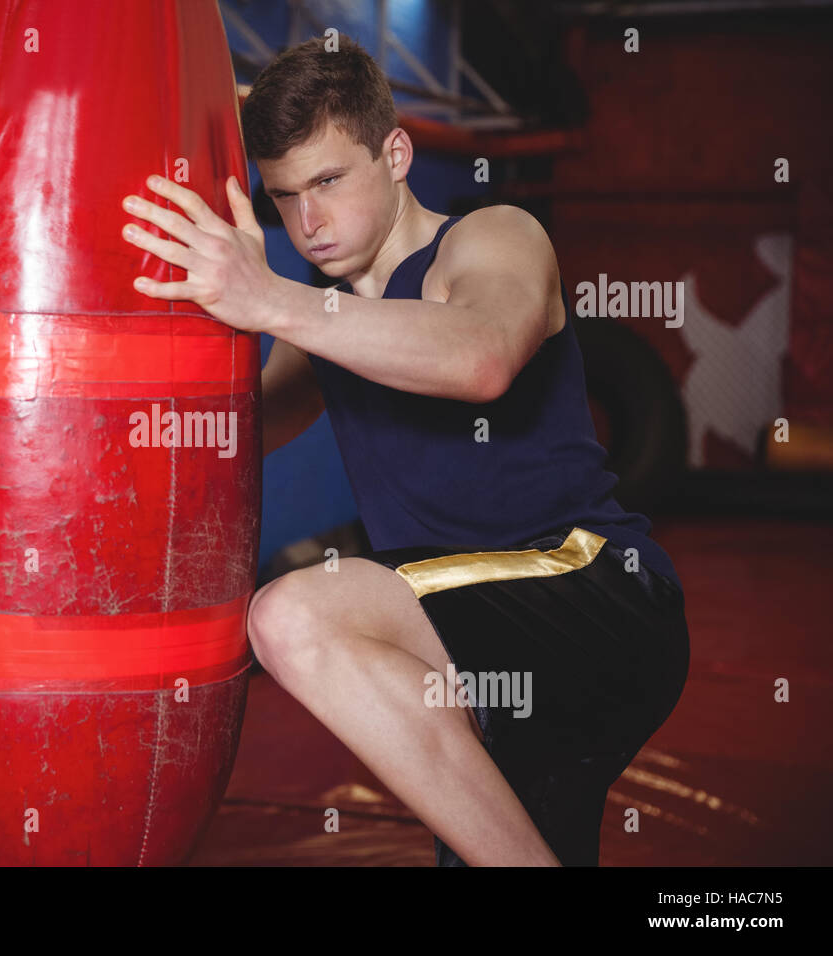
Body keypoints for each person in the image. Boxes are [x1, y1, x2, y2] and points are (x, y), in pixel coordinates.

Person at [119, 35, 689, 866]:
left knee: (293, 616)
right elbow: (231, 437)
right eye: (284, 197)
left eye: (328, 181)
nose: (308, 223)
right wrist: (171, 331)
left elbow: (482, 354)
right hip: (468, 655)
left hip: (590, 596)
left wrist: (275, 300)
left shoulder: (491, 236)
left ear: (395, 153)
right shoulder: (324, 322)